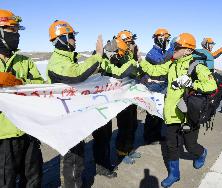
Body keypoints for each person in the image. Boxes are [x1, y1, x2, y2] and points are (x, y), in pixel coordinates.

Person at [47, 20, 136, 187]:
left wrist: (130, 64)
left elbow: (113, 72)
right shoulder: (57, 62)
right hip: (68, 115)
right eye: (72, 36)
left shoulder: (72, 59)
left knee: (98, 139)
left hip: (86, 108)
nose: (75, 40)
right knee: (73, 156)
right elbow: (76, 75)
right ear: (62, 39)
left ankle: (101, 167)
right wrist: (98, 55)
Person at [138, 33, 217, 188]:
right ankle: (174, 174)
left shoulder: (197, 66)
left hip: (189, 115)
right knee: (171, 145)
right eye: (174, 46)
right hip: (172, 113)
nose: (173, 48)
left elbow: (211, 86)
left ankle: (201, 153)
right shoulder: (172, 64)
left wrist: (191, 84)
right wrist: (140, 61)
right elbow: (155, 70)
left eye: (177, 46)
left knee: (190, 145)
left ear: (188, 51)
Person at [0, 9, 44, 188]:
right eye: (13, 30)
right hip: (4, 135)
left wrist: (20, 82)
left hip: (28, 129)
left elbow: (42, 86)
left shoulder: (25, 62)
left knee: (33, 177)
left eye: (18, 31)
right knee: (6, 180)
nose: (17, 35)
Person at [92, 37, 136, 178]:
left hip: (106, 104)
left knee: (106, 136)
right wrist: (132, 62)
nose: (118, 58)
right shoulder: (100, 60)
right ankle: (102, 167)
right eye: (117, 54)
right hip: (97, 105)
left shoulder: (109, 59)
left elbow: (117, 72)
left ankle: (104, 164)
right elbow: (116, 73)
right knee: (101, 138)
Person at [113, 30, 141, 164]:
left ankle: (129, 148)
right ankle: (121, 152)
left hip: (131, 94)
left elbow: (133, 72)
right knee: (124, 125)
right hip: (121, 96)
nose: (132, 44)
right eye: (129, 42)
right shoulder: (117, 55)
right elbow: (120, 72)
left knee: (133, 124)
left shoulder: (128, 54)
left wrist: (134, 56)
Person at [143, 28, 171, 145]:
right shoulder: (152, 53)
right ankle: (149, 136)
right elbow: (160, 63)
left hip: (162, 86)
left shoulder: (163, 52)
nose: (168, 41)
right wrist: (173, 52)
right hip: (153, 86)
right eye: (166, 39)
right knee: (152, 113)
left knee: (159, 112)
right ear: (160, 39)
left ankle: (156, 134)